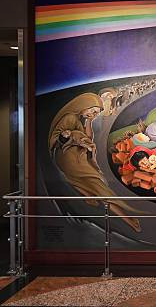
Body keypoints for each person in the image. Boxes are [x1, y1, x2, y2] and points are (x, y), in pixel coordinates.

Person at [48, 93, 141, 232]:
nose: (94, 114)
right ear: (85, 105)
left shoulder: (81, 119)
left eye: (96, 113)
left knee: (89, 185)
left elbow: (89, 139)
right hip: (70, 160)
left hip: (76, 159)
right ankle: (129, 219)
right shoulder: (70, 118)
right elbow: (56, 139)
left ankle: (89, 196)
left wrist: (89, 122)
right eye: (93, 111)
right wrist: (66, 136)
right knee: (99, 188)